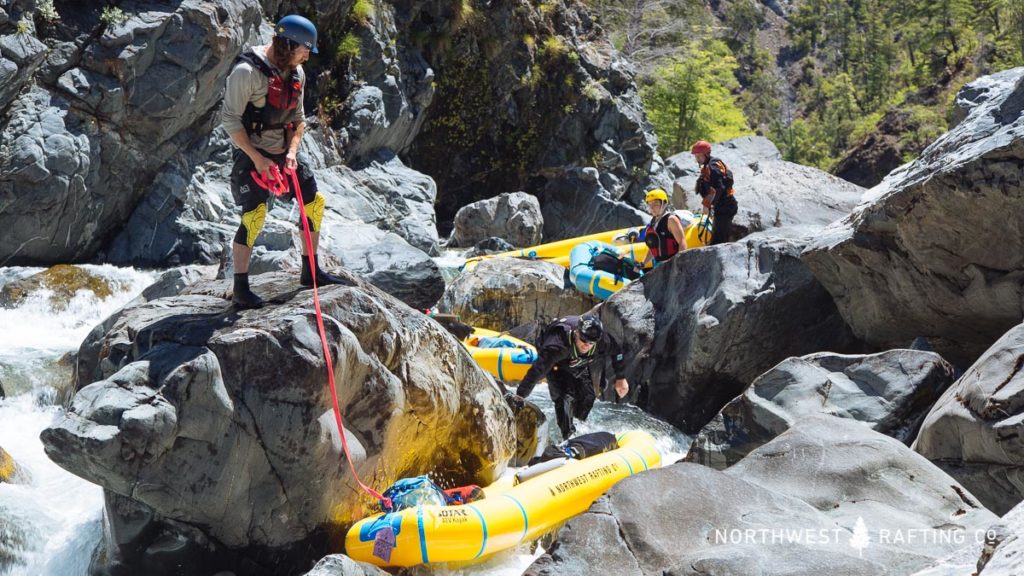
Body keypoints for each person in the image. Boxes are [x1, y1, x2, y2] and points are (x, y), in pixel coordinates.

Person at [221, 14, 346, 309]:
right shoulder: (246, 73)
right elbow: (230, 121)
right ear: (288, 45)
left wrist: (291, 153)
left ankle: (311, 271)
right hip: (250, 152)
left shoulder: (297, 73)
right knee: (255, 215)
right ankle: (240, 288)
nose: (307, 57)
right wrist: (258, 159)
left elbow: (299, 120)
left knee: (313, 203)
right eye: (305, 50)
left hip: (284, 151)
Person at [513, 315, 629, 440]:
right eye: (583, 340)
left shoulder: (601, 341)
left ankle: (579, 427)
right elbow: (535, 373)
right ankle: (567, 436)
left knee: (588, 396)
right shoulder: (556, 346)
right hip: (556, 365)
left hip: (579, 363)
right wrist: (519, 397)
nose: (587, 345)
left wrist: (620, 378)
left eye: (591, 343)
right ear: (577, 333)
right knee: (564, 398)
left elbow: (618, 353)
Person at [691, 140, 738, 245]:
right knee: (718, 237)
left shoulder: (712, 166)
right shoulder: (711, 164)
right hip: (723, 206)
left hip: (725, 207)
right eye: (696, 156)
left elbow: (718, 187)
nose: (697, 159)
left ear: (706, 154)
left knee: (718, 241)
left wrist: (706, 204)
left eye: (699, 156)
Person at [637, 188, 686, 272]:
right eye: (650, 204)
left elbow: (682, 243)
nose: (652, 208)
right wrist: (643, 263)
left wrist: (678, 265)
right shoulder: (653, 222)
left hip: (671, 264)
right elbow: (653, 248)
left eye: (656, 204)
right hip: (658, 265)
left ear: (664, 204)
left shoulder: (671, 220)